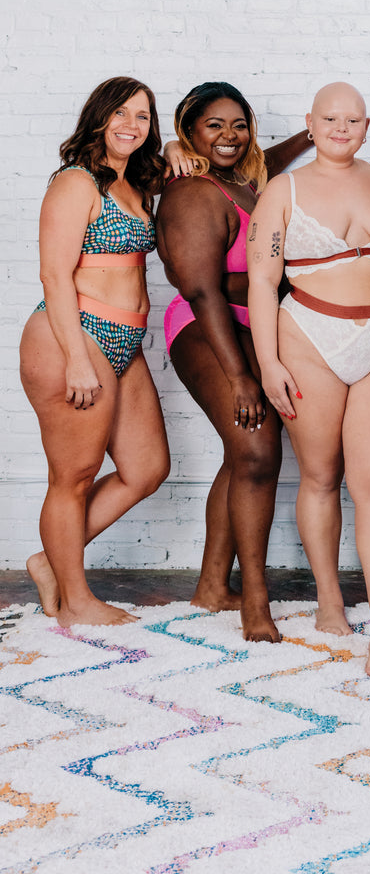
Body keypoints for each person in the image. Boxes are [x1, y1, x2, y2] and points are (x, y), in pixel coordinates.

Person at [248, 82, 370, 677]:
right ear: (309, 124)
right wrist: (269, 363)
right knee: (319, 475)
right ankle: (330, 599)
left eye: (353, 119)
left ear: (368, 126)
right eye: (330, 118)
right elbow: (262, 283)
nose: (342, 128)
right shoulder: (282, 190)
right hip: (308, 339)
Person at [156, 82, 311, 643]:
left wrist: (313, 134)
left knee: (241, 453)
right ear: (188, 132)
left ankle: (211, 586)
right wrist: (242, 376)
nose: (228, 136)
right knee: (256, 450)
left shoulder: (245, 180)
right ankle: (254, 598)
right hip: (207, 325)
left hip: (251, 322)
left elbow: (266, 161)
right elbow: (202, 292)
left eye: (238, 124)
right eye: (213, 126)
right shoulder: (192, 193)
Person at [20, 77, 170, 626]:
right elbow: (54, 276)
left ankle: (49, 561)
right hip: (71, 337)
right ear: (99, 117)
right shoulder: (76, 182)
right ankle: (77, 604)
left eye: (144, 116)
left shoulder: (137, 183)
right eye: (122, 114)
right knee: (74, 475)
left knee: (147, 467)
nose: (132, 125)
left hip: (123, 344)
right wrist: (78, 359)